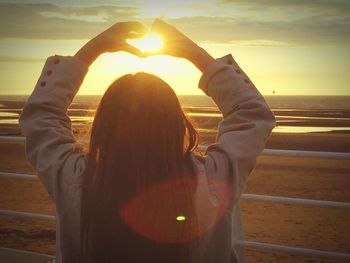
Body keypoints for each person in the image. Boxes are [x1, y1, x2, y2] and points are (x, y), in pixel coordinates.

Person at [19, 19, 275, 263]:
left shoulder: (74, 180)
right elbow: (251, 113)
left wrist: (91, 51)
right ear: (177, 124)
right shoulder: (213, 181)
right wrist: (194, 54)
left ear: (104, 127)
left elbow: (42, 114)